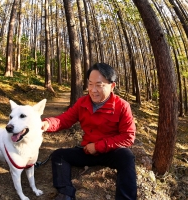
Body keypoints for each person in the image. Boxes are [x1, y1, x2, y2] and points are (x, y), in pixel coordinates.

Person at [41, 63, 137, 200]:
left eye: (99, 85)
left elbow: (128, 137)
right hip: (87, 150)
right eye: (90, 84)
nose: (93, 90)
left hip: (111, 151)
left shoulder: (122, 106)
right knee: (59, 155)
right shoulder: (82, 103)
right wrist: (47, 123)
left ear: (112, 86)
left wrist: (97, 146)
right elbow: (64, 120)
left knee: (127, 157)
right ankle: (66, 193)